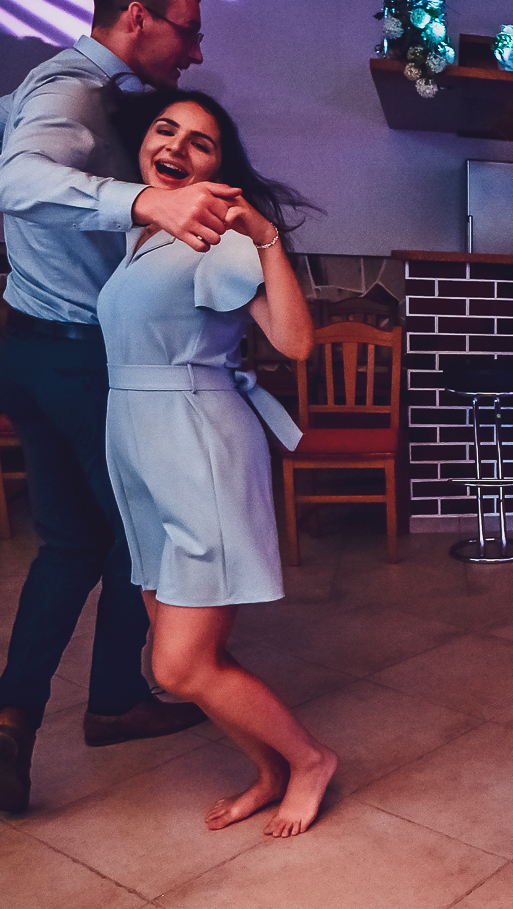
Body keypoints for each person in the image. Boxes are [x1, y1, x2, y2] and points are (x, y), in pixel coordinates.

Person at [0, 0, 243, 815]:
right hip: (83, 359)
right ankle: (117, 700)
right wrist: (139, 204)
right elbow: (14, 177)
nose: (195, 51)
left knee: (70, 543)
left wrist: (61, 225)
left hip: (25, 350)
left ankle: (13, 717)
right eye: (187, 31)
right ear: (136, 18)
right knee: (135, 538)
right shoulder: (74, 93)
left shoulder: (54, 84)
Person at [99, 87, 338, 836]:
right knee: (188, 655)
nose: (174, 147)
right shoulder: (144, 234)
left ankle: (309, 761)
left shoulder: (218, 238)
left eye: (199, 142)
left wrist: (265, 239)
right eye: (164, 130)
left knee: (178, 667)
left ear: (218, 167)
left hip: (197, 443)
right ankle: (268, 772)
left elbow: (295, 344)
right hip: (139, 447)